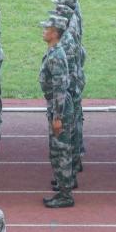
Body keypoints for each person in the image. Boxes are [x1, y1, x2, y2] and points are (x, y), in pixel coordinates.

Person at [39, 15, 75, 208]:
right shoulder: (53, 52)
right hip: (55, 106)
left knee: (61, 152)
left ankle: (65, 195)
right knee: (57, 151)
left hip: (59, 108)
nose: (44, 31)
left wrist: (58, 116)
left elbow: (60, 88)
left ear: (54, 33)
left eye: (47, 29)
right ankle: (62, 188)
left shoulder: (56, 56)